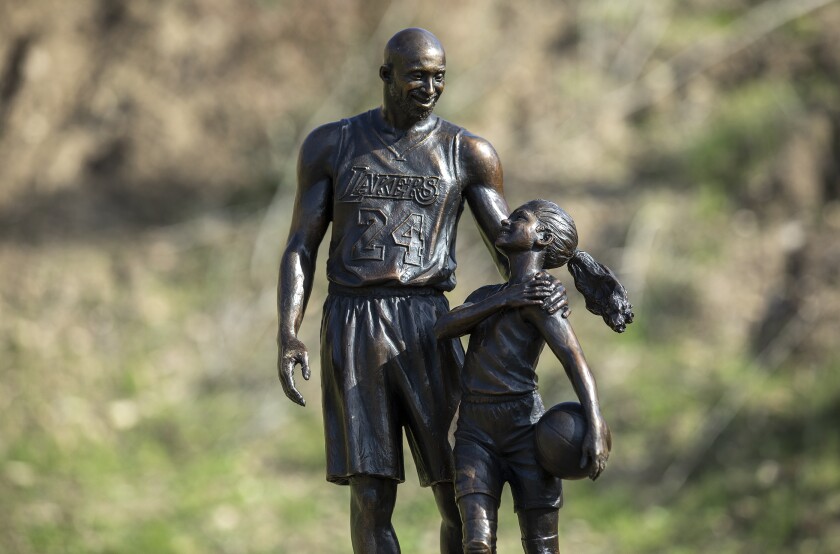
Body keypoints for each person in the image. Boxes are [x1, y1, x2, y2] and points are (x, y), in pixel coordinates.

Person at [276, 29, 567, 553]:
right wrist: (287, 332)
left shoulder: (467, 153)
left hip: (428, 324)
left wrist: (581, 271)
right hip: (353, 322)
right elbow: (301, 246)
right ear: (386, 75)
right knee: (370, 495)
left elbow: (517, 246)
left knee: (460, 488)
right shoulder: (332, 144)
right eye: (417, 76)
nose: (429, 87)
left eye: (438, 77)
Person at [434, 200, 633, 554]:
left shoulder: (543, 298)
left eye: (519, 218)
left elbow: (574, 360)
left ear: (542, 237)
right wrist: (505, 298)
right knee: (477, 543)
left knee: (542, 547)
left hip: (524, 430)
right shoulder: (488, 296)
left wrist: (595, 420)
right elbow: (443, 328)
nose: (506, 220)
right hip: (475, 433)